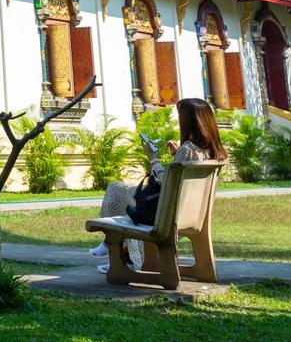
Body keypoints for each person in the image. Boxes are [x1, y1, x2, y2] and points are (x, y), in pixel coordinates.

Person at [90, 97, 228, 272]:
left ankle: (114, 246)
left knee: (116, 189)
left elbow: (165, 183)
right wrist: (177, 155)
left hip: (167, 214)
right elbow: (180, 181)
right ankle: (118, 251)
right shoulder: (215, 151)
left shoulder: (188, 149)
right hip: (191, 213)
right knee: (124, 191)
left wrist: (152, 157)